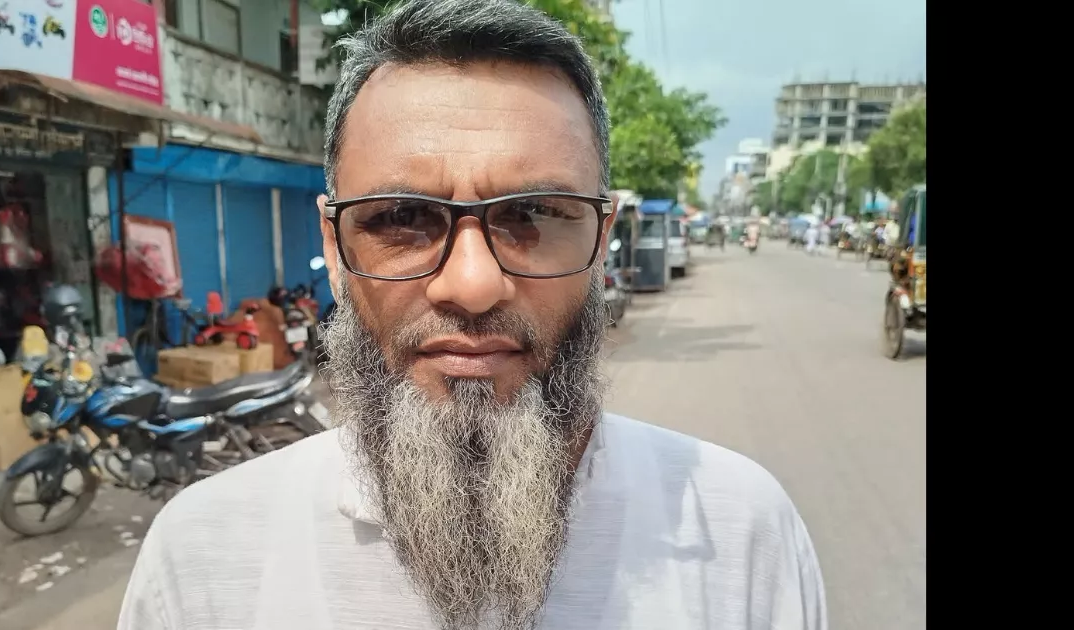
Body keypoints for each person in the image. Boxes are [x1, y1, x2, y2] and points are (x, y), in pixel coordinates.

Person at [117, 2, 827, 629]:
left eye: (533, 214)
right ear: (334, 248)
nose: (472, 284)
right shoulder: (202, 558)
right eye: (401, 217)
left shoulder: (738, 531)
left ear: (600, 240)